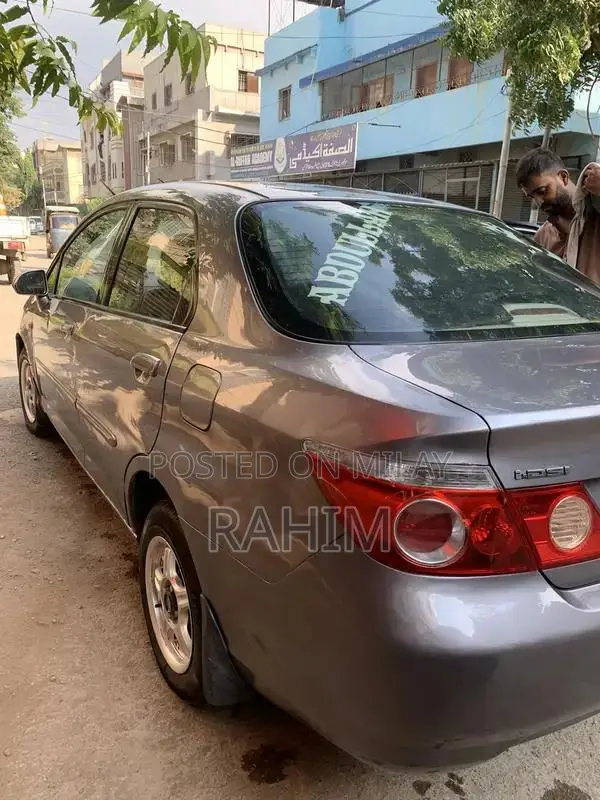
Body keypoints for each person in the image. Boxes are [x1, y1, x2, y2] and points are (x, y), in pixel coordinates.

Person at [515, 147, 600, 283]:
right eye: (532, 196)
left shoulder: (595, 217)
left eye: (542, 191)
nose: (539, 202)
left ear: (563, 177)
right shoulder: (542, 237)